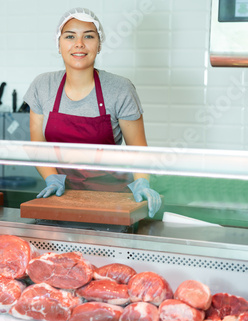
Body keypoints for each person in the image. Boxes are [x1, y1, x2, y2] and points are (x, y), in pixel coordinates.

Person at [24, 8, 161, 217]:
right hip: (60, 197)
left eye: (88, 36)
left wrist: (142, 182)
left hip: (112, 200)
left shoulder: (120, 88)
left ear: (99, 45)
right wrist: (51, 178)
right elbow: (37, 144)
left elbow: (138, 148)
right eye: (70, 36)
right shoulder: (42, 86)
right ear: (58, 44)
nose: (79, 44)